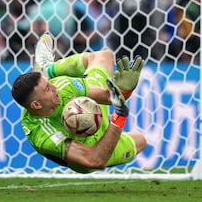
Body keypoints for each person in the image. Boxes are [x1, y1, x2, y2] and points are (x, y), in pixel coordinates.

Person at [11, 34, 147, 174]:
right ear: (36, 105)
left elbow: (108, 97)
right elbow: (94, 160)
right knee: (140, 141)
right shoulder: (42, 134)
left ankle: (48, 70)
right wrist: (119, 117)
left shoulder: (61, 86)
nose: (54, 87)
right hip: (91, 150)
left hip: (90, 108)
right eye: (47, 89)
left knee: (103, 56)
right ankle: (45, 72)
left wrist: (123, 91)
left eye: (49, 83)